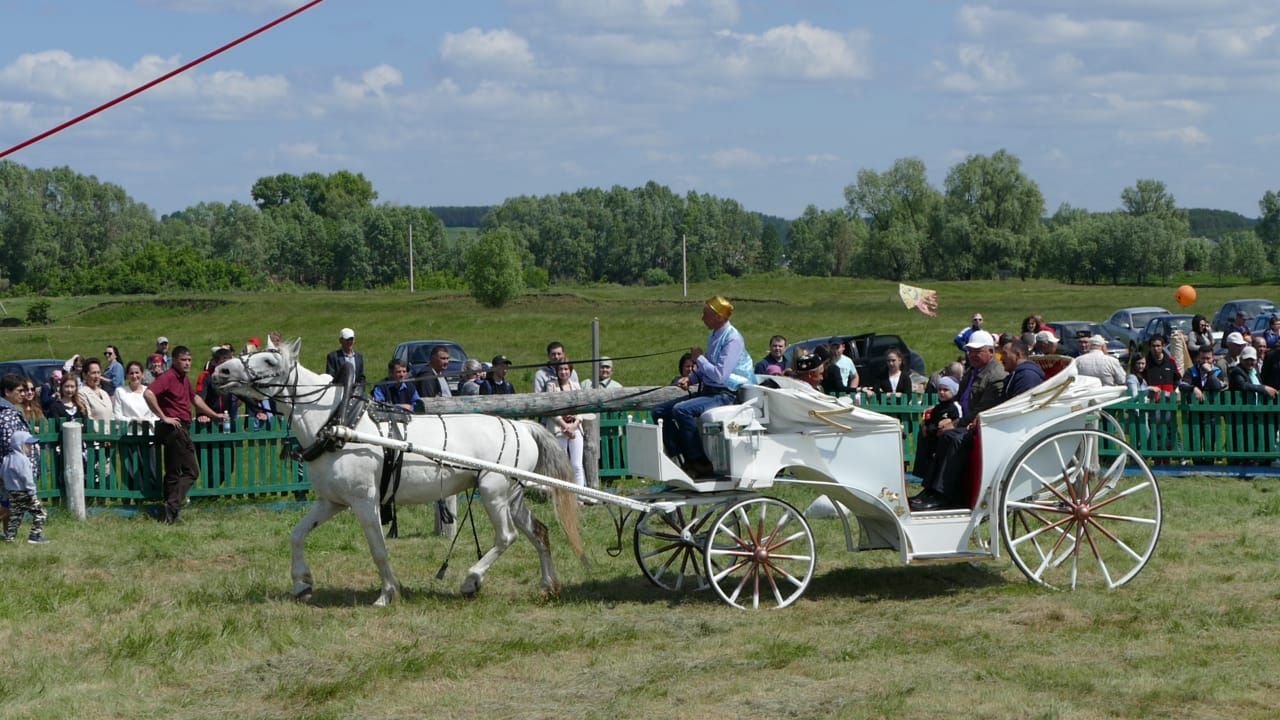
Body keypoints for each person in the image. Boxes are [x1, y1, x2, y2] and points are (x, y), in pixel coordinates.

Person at [652, 295, 755, 477]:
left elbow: (720, 375)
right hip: (711, 391)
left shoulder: (733, 339)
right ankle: (681, 458)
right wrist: (691, 379)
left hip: (727, 394)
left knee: (681, 410)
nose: (702, 318)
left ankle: (700, 462)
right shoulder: (714, 335)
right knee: (659, 411)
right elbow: (709, 367)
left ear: (719, 317)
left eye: (706, 314)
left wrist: (699, 357)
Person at [910, 330, 1007, 511]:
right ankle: (928, 488)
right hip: (963, 421)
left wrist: (953, 424)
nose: (972, 355)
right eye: (970, 351)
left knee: (951, 437)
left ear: (991, 352)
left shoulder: (996, 376)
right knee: (927, 432)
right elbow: (958, 400)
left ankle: (942, 494)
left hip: (982, 427)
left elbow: (982, 410)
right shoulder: (971, 372)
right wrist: (940, 416)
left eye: (978, 351)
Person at [144, 345, 229, 524]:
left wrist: (214, 416)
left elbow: (195, 398)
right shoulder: (168, 377)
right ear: (174, 360)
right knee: (192, 471)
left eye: (189, 360)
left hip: (178, 428)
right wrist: (163, 417)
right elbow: (148, 393)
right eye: (183, 360)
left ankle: (169, 515)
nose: (187, 363)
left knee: (174, 473)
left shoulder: (183, 379)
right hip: (175, 428)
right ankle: (172, 505)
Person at [1, 374, 47, 544]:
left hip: (9, 468)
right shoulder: (6, 414)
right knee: (7, 505)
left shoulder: (12, 410)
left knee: (9, 504)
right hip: (11, 469)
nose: (23, 394)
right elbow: (8, 443)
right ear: (7, 391)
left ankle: (8, 535)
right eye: (19, 391)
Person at [1180, 344, 1225, 461]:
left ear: (1212, 358)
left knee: (1210, 442)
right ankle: (1196, 466)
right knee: (1195, 442)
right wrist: (1193, 388)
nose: (1205, 361)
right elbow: (1182, 385)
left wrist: (1210, 372)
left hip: (1211, 414)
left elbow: (1218, 386)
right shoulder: (1191, 371)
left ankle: (1210, 465)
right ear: (1198, 359)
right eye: (1203, 358)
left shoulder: (1217, 371)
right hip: (1195, 413)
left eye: (1208, 358)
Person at [544, 362, 585, 488]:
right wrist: (564, 425)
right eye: (561, 369)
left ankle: (580, 495)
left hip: (575, 427)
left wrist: (575, 423)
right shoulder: (552, 386)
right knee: (562, 463)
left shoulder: (576, 386)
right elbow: (551, 408)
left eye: (566, 369)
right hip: (559, 428)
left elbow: (582, 408)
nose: (563, 372)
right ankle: (563, 492)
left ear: (570, 371)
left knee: (577, 464)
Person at [78, 357, 114, 422]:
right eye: (93, 373)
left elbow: (111, 415)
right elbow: (88, 418)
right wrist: (103, 431)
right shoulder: (81, 393)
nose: (97, 376)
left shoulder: (104, 393)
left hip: (111, 431)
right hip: (97, 431)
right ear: (84, 375)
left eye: (98, 372)